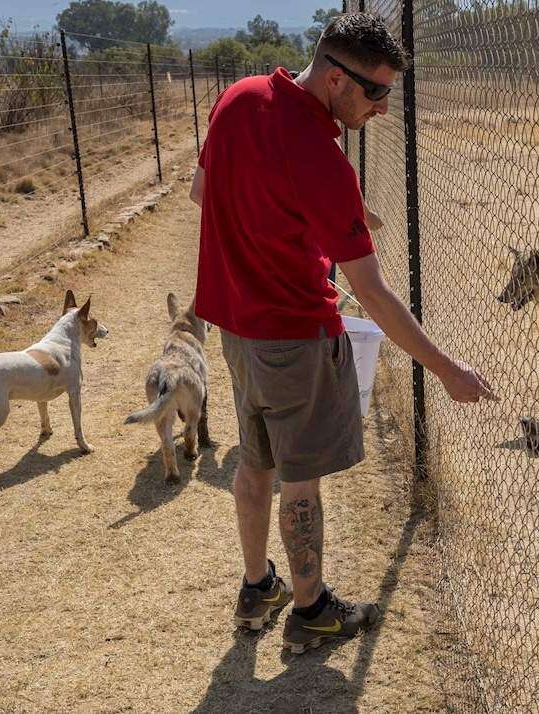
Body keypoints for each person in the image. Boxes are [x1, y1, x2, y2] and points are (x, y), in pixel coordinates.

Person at [189, 13, 496, 653]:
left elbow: (202, 190)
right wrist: (447, 371)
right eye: (377, 92)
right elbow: (375, 294)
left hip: (237, 329)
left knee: (255, 460)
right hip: (296, 336)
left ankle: (257, 587)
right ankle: (311, 612)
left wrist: (308, 221)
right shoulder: (324, 160)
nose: (384, 109)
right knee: (299, 478)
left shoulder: (238, 99)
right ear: (336, 78)